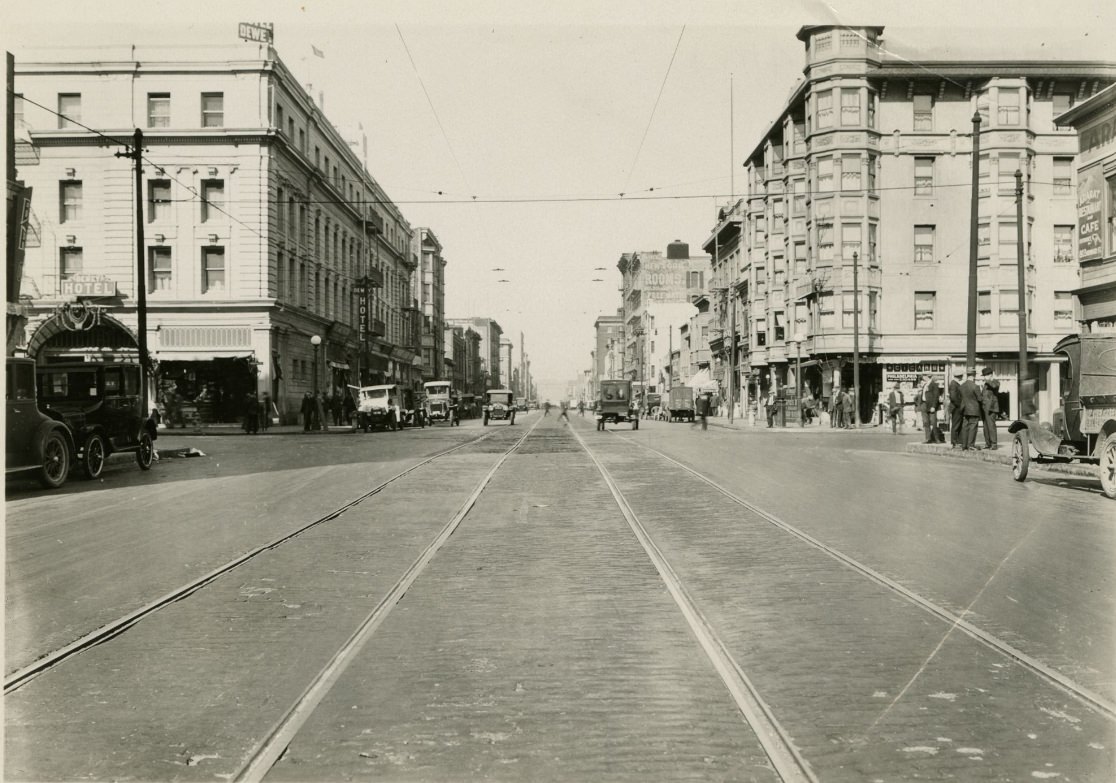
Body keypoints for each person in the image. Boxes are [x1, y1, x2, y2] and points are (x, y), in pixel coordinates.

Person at [959, 368, 983, 450]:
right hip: (974, 409)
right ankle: (971, 445)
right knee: (973, 427)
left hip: (965, 409)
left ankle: (964, 445)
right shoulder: (975, 386)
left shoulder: (962, 386)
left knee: (965, 427)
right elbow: (980, 399)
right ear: (974, 375)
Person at [981, 368, 1000, 449]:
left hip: (991, 408)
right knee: (985, 426)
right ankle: (988, 443)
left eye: (985, 376)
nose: (984, 377)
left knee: (991, 426)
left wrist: (988, 381)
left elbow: (994, 386)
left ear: (990, 375)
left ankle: (994, 444)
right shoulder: (986, 384)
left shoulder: (995, 381)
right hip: (984, 408)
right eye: (984, 376)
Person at [921, 374, 944, 443]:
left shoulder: (934, 385)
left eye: (924, 376)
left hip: (931, 406)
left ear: (927, 376)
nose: (923, 377)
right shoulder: (925, 385)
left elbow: (936, 396)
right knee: (925, 422)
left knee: (933, 422)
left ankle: (936, 438)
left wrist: (933, 406)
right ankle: (928, 438)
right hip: (924, 404)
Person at [948, 370, 964, 449]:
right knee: (956, 425)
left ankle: (958, 441)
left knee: (958, 424)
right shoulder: (954, 384)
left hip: (956, 407)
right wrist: (960, 405)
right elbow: (954, 397)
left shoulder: (954, 384)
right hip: (956, 408)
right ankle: (954, 442)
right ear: (959, 376)